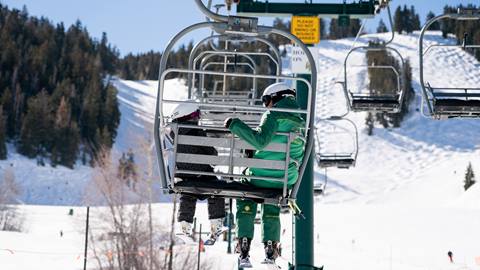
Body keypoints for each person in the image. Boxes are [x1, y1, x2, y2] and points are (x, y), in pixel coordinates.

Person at [225, 82, 306, 264]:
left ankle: (244, 241)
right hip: (286, 178)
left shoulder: (273, 115)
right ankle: (270, 245)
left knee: (246, 186)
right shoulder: (301, 120)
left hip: (261, 176)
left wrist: (235, 125)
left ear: (276, 97)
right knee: (271, 197)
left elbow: (260, 142)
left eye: (266, 100)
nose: (266, 105)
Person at [169, 103, 226, 244]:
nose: (197, 118)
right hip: (203, 174)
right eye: (196, 115)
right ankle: (216, 224)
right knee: (216, 189)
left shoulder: (173, 133)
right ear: (189, 116)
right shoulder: (197, 131)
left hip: (183, 175)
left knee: (187, 194)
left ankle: (184, 225)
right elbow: (212, 154)